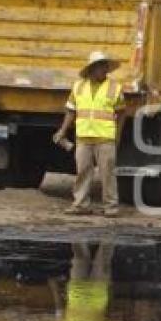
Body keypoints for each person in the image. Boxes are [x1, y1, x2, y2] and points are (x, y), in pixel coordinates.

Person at [53, 51, 124, 217]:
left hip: (105, 137)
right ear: (92, 68)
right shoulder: (78, 87)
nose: (105, 69)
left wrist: (117, 135)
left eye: (105, 66)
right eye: (101, 66)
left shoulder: (115, 87)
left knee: (107, 173)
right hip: (83, 137)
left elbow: (121, 113)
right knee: (83, 172)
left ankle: (111, 207)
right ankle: (80, 205)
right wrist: (62, 131)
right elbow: (71, 111)